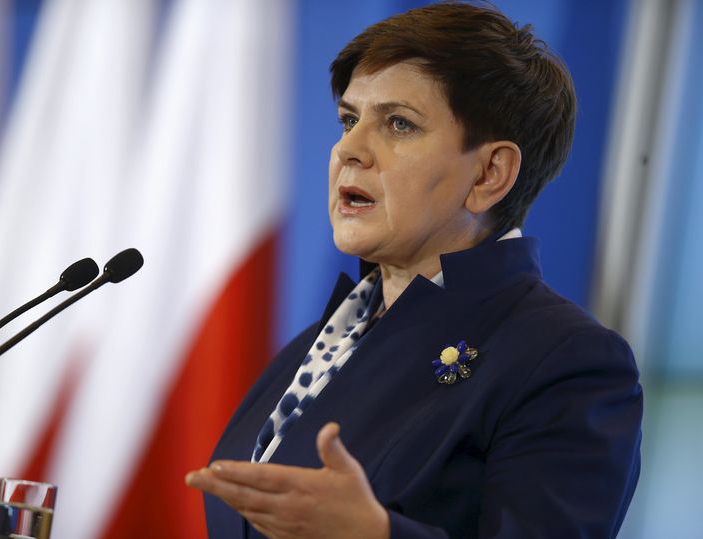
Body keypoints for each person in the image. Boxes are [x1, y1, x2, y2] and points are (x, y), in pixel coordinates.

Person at [185, 2, 642, 538]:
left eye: (399, 124)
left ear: (490, 174)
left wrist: (376, 535)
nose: (349, 150)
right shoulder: (323, 338)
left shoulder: (565, 360)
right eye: (349, 120)